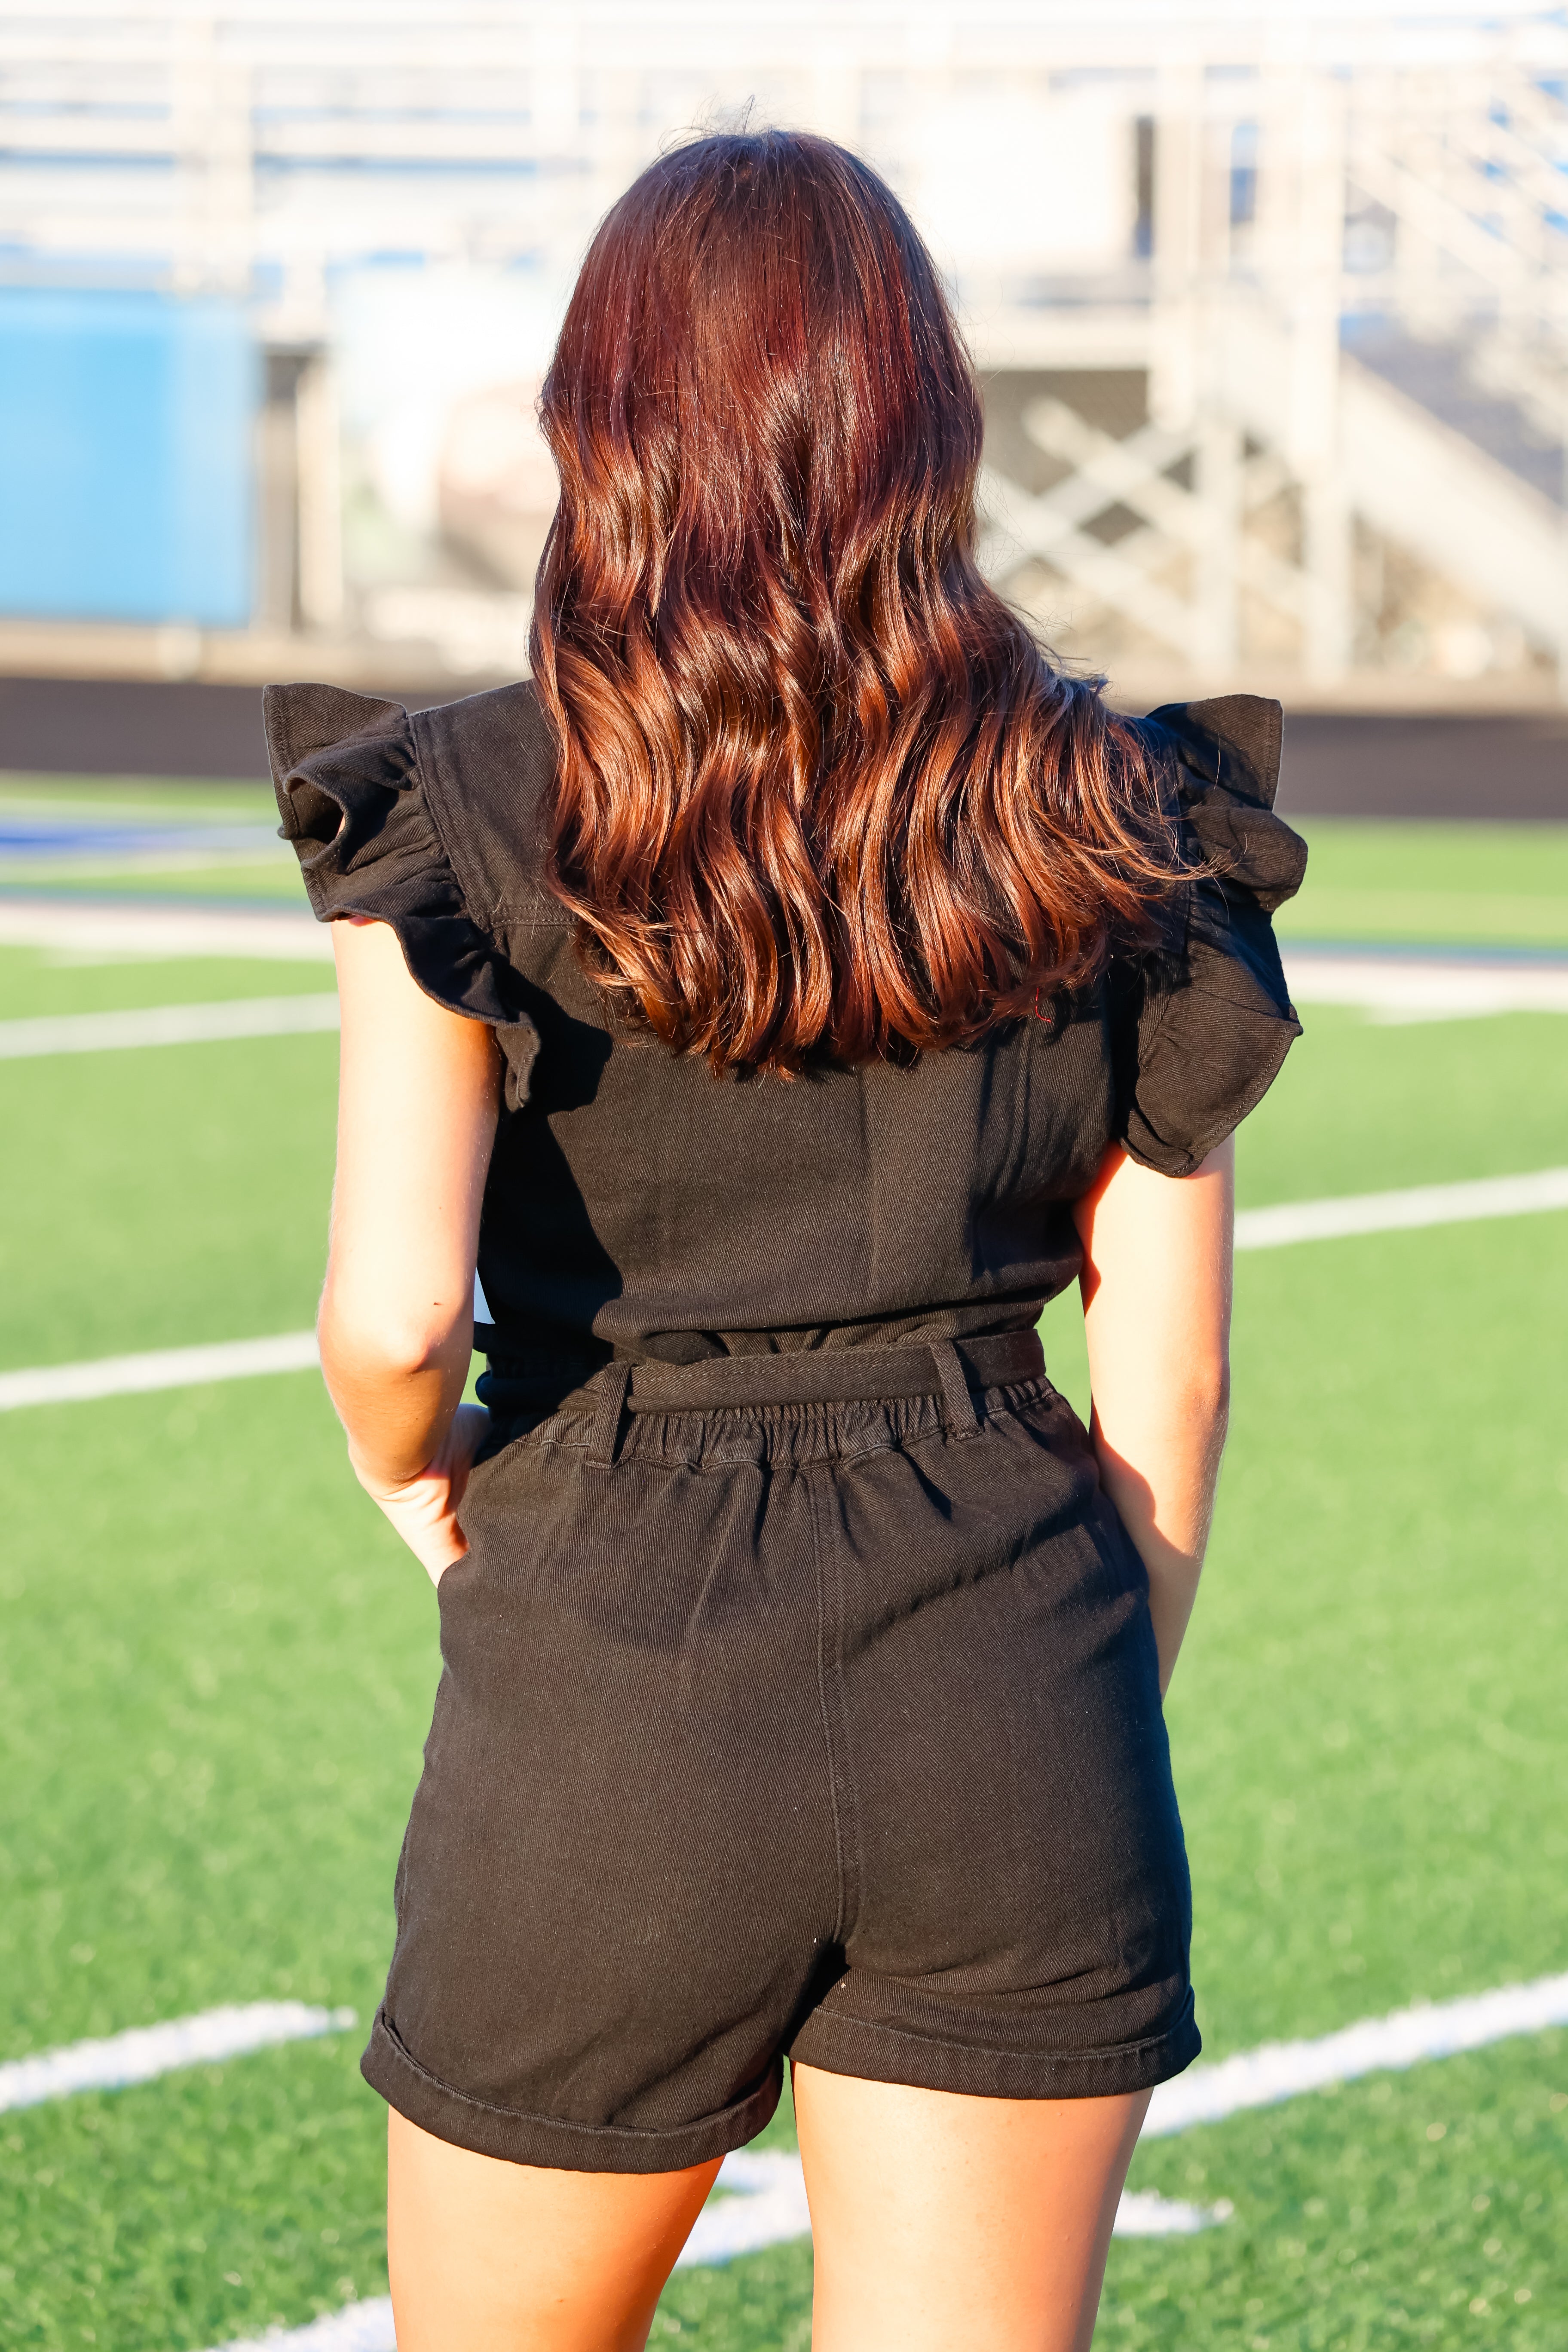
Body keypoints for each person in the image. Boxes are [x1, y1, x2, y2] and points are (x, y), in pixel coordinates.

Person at [267, 129, 1305, 2352]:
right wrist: (1072, 1686)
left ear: (601, 418)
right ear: (930, 424)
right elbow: (1178, 1373)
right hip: (1007, 1652)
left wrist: (419, 1486)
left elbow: (388, 1317)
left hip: (615, 1660)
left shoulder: (463, 809)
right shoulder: (1128, 808)